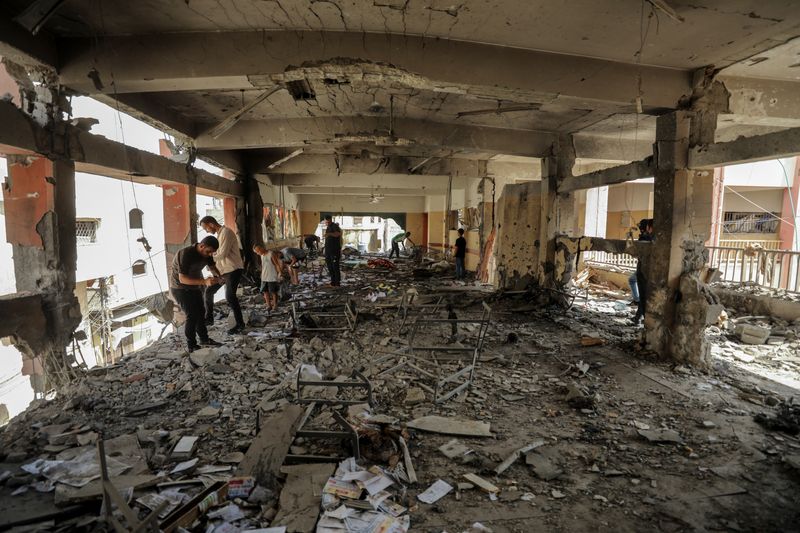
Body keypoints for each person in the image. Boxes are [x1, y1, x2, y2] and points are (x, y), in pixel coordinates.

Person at [169, 236, 224, 353]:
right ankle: (191, 345)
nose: (210, 254)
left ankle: (204, 339)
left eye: (212, 253)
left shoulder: (207, 254)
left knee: (201, 312)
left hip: (194, 286)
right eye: (208, 251)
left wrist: (219, 277)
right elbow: (183, 279)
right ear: (201, 246)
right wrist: (204, 281)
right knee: (192, 315)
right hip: (180, 288)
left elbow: (212, 267)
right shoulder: (186, 254)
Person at [199, 216, 245, 334]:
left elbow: (222, 254)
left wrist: (207, 255)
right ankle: (209, 319)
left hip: (233, 269)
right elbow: (218, 255)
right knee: (208, 292)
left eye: (206, 228)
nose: (206, 231)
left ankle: (240, 325)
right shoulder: (219, 235)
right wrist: (214, 268)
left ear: (211, 224)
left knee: (230, 296)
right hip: (224, 271)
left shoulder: (226, 232)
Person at [632, 218, 654, 325]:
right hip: (649, 271)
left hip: (644, 271)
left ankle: (646, 321)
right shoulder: (656, 238)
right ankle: (638, 317)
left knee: (644, 296)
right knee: (644, 296)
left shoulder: (647, 238)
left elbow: (638, 251)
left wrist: (643, 236)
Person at [254, 245, 284, 312]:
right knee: (265, 291)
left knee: (273, 291)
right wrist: (261, 273)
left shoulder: (271, 254)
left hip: (272, 276)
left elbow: (276, 264)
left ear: (262, 248)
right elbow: (263, 265)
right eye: (256, 252)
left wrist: (280, 273)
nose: (258, 253)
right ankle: (268, 305)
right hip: (264, 277)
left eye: (258, 251)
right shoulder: (261, 255)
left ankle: (275, 305)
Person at [323, 215, 342, 287]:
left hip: (334, 250)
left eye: (327, 221)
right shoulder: (328, 227)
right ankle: (333, 282)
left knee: (335, 266)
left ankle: (337, 283)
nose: (326, 223)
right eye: (326, 221)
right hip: (328, 251)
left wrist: (329, 234)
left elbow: (338, 234)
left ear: (330, 220)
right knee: (330, 267)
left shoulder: (334, 226)